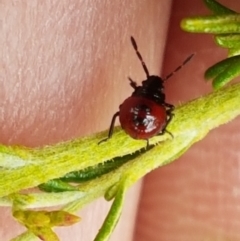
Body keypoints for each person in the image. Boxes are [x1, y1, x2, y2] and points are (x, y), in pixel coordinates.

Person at [1, 0, 239, 240]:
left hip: (135, 121)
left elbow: (129, 106)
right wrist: (161, 128)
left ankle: (110, 138)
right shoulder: (160, 104)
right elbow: (163, 109)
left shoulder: (141, 97)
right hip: (148, 126)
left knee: (122, 113)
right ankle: (135, 134)